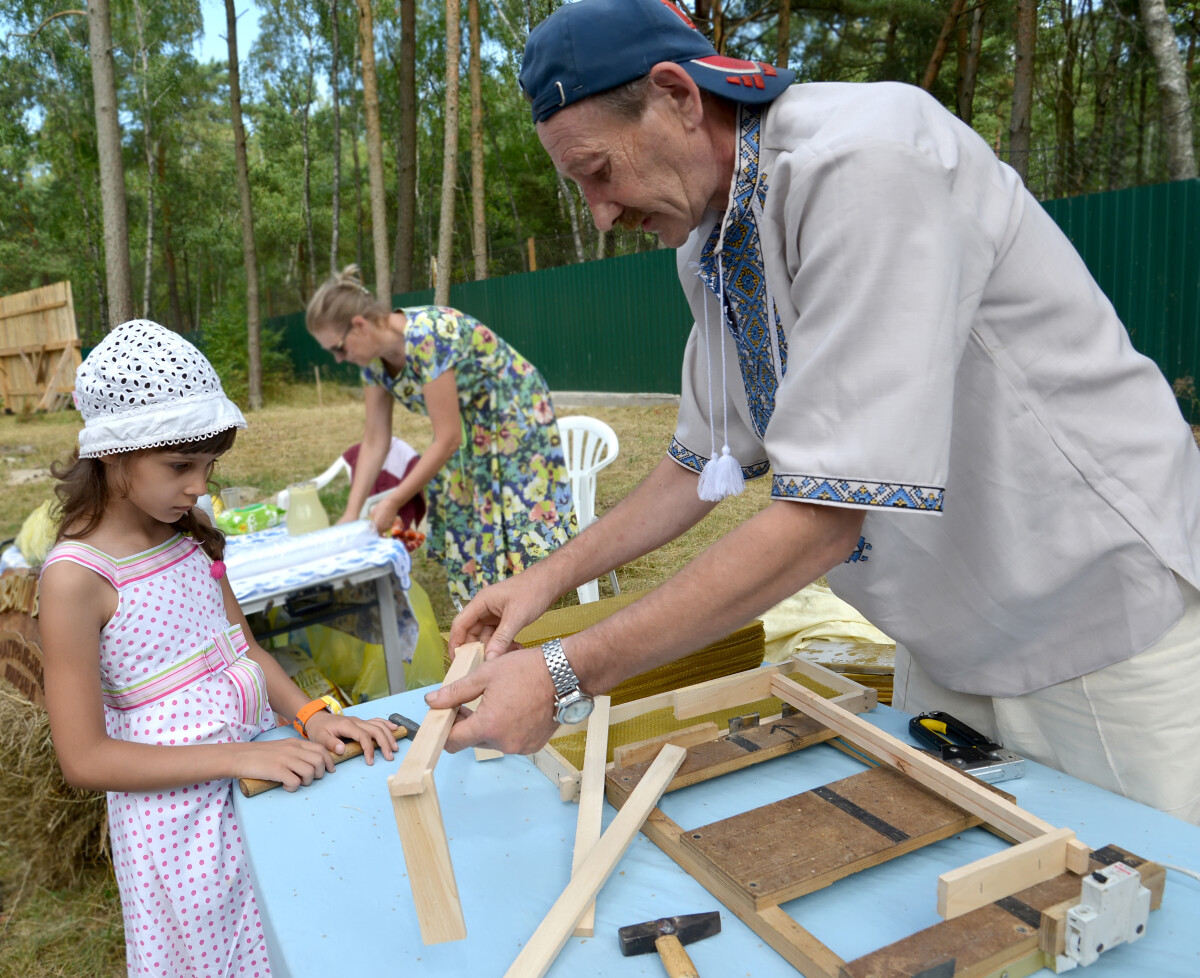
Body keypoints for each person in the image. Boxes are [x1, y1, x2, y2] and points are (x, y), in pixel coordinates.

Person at [431, 0, 1200, 824]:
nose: (601, 212)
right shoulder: (711, 238)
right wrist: (544, 582)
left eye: (598, 170)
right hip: (949, 632)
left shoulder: (868, 160)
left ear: (677, 97)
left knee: (1159, 905)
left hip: (1091, 611)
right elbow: (700, 461)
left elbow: (824, 516)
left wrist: (562, 673)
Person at [39, 320, 400, 976]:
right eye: (181, 466)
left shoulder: (186, 535)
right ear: (115, 453)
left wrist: (313, 716)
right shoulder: (77, 579)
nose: (200, 487)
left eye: (208, 466)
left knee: (281, 940)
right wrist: (242, 755)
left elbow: (247, 651)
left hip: (252, 786)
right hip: (178, 834)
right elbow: (85, 758)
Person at [306, 265, 576, 605]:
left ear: (359, 325)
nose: (340, 358)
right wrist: (351, 511)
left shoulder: (426, 337)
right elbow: (375, 440)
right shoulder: (372, 362)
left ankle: (533, 591)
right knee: (465, 504)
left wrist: (393, 499)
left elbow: (447, 438)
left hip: (512, 406)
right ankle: (485, 598)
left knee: (514, 509)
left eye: (339, 348)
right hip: (469, 417)